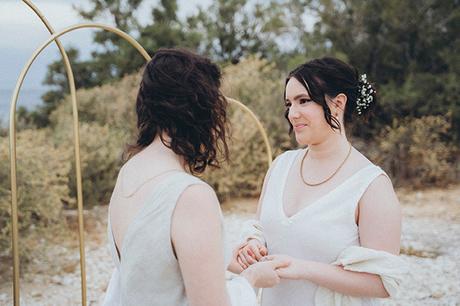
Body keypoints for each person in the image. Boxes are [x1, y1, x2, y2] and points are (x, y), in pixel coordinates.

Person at [102, 48, 290, 306]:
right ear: (200, 111)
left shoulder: (129, 171)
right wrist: (252, 278)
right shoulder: (190, 195)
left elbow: (153, 264)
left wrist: (223, 258)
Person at [234, 57, 406, 306]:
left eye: (303, 101)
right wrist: (253, 245)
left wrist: (303, 269)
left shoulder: (371, 185)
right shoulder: (281, 166)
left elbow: (383, 282)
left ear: (338, 103)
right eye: (289, 103)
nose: (293, 114)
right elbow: (262, 230)